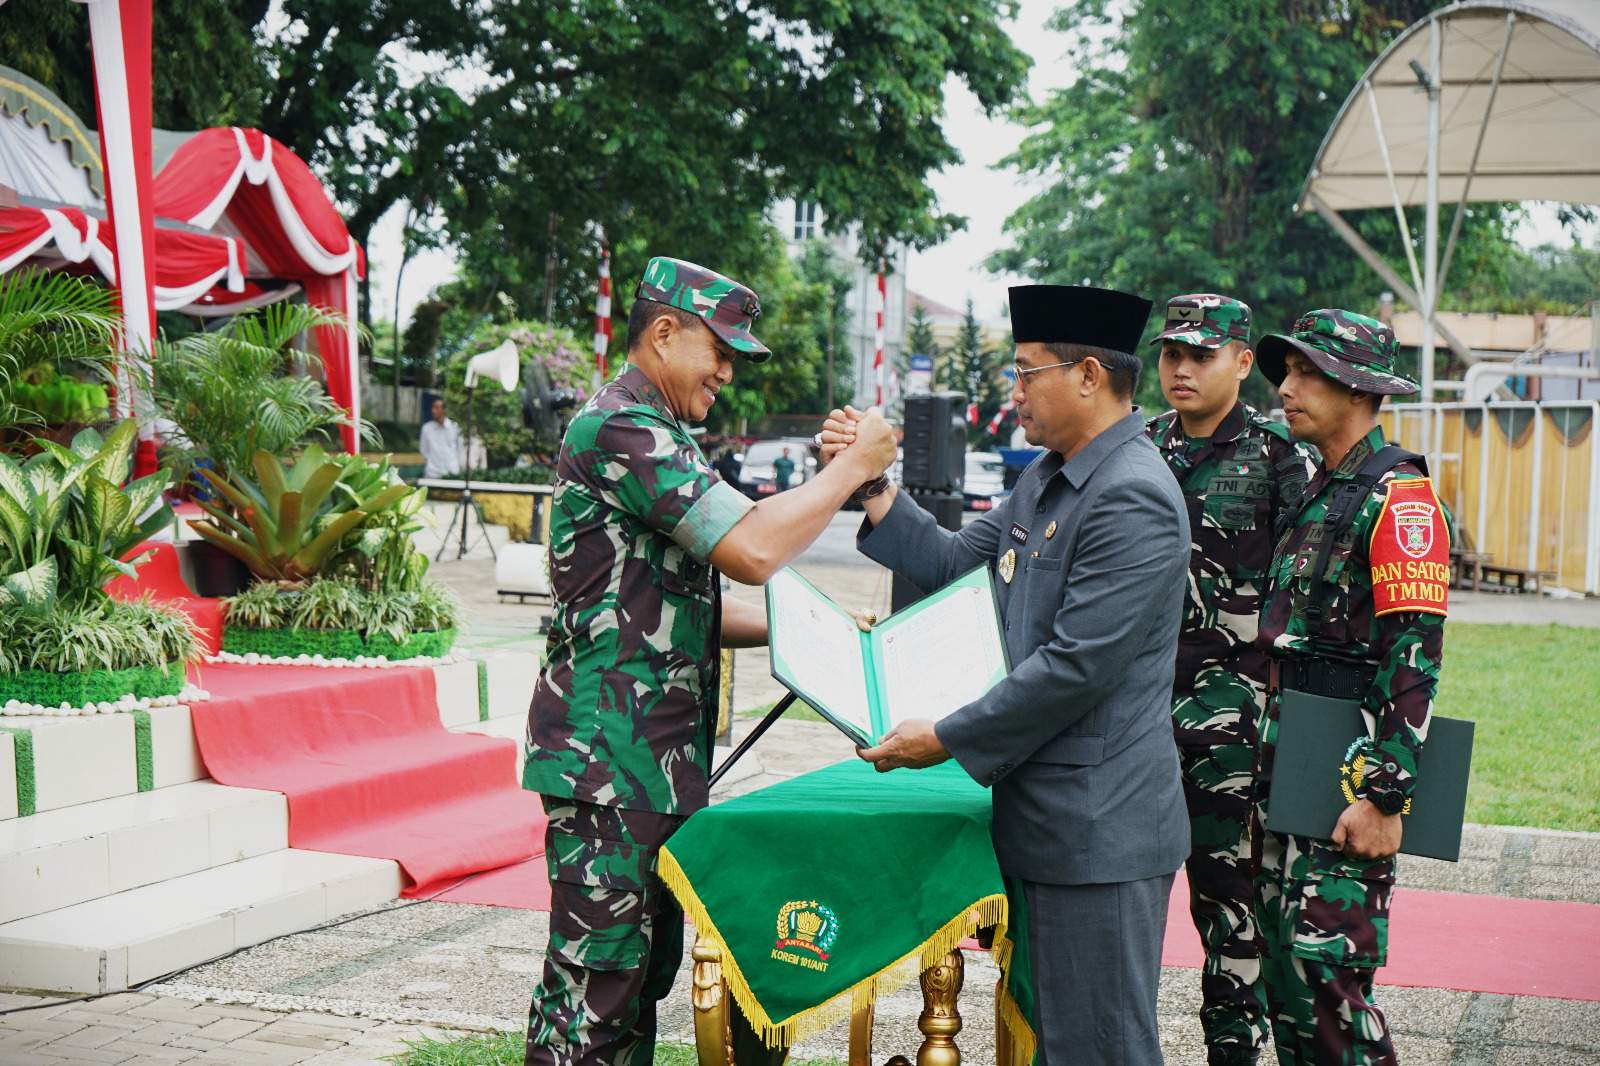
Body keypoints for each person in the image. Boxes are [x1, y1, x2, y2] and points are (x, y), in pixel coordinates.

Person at [522, 256, 897, 1066]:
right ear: (662, 332)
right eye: (719, 349)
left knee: (634, 988)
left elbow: (677, 605)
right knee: (594, 997)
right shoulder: (622, 429)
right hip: (607, 768)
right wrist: (853, 468)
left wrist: (816, 629)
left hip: (648, 767)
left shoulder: (662, 433)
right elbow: (755, 548)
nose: (728, 370)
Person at [827, 284, 1190, 1066]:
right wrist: (871, 485)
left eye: (1028, 373)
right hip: (1045, 819)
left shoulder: (1132, 495)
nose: (1014, 390)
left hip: (1099, 830)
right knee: (1055, 1041)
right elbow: (958, 564)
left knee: (1101, 1048)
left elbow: (1075, 667)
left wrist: (946, 738)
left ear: (1089, 375)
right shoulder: (1053, 475)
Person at [1251, 310, 1451, 1065]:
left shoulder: (1397, 498)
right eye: (1287, 371)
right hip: (1294, 769)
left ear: (1359, 389)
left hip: (1347, 784)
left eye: (1306, 372)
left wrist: (1386, 798)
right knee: (1292, 992)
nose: (1286, 386)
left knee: (1331, 990)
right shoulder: (1321, 491)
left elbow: (1415, 655)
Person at [1144, 294, 1315, 1066]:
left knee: (1232, 921)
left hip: (1234, 739)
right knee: (1126, 912)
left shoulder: (1283, 460)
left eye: (1201, 355)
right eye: (1171, 352)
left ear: (1243, 363)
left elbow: (1308, 598)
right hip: (1138, 726)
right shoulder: (1138, 447)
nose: (1181, 367)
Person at [419, 398, 462, 477]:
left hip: (452, 472)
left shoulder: (454, 427)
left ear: (444, 410)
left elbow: (460, 449)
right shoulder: (427, 428)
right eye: (433, 408)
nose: (433, 411)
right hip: (432, 473)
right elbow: (423, 450)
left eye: (437, 408)